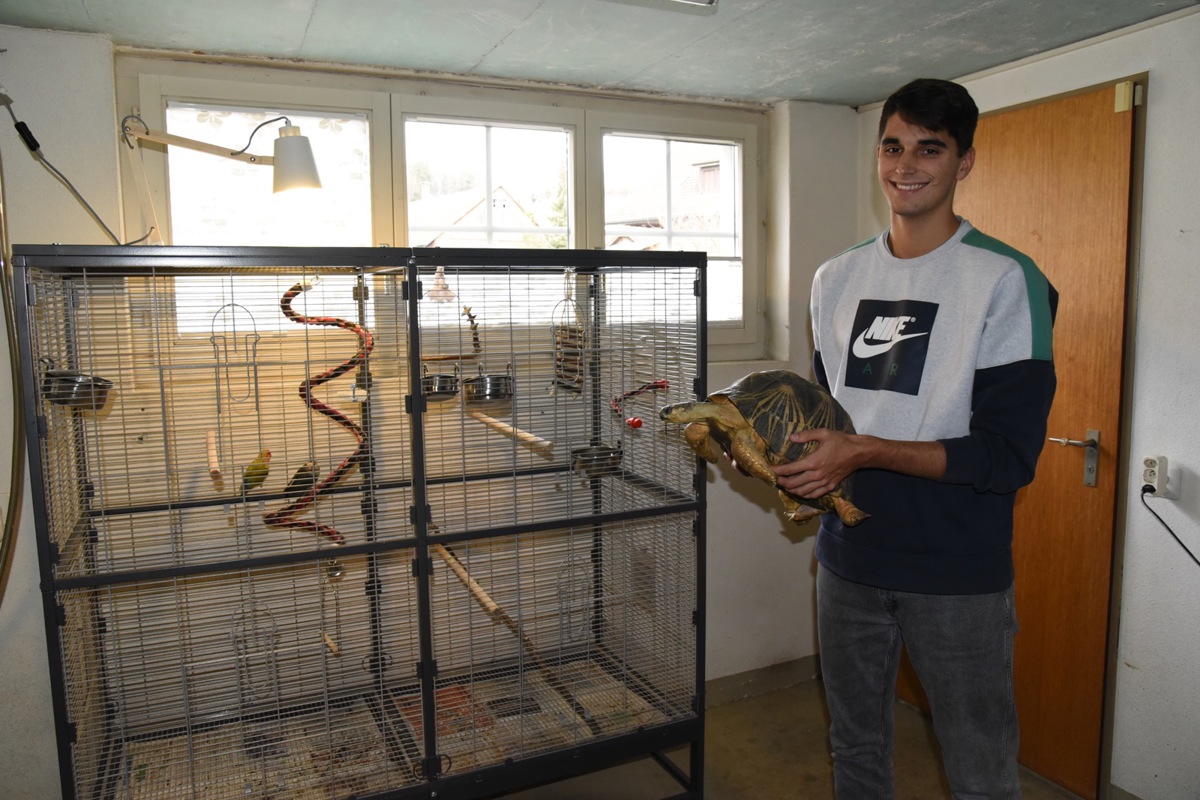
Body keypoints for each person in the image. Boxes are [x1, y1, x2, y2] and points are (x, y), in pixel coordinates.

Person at [773, 78, 1058, 799]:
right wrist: (792, 458)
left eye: (930, 148)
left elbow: (1006, 457)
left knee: (979, 764)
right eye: (893, 146)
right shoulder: (835, 278)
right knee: (856, 749)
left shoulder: (1006, 280)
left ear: (964, 162)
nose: (906, 165)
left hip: (956, 570)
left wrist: (865, 452)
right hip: (847, 561)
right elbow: (830, 416)